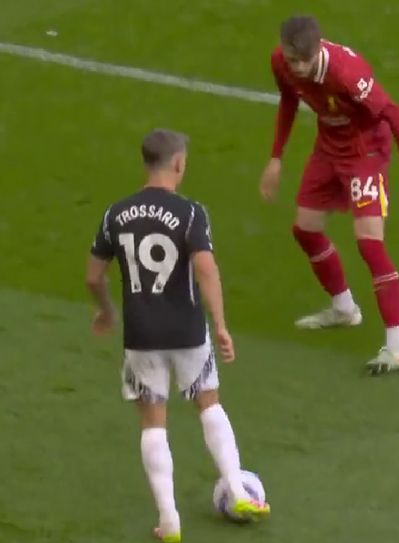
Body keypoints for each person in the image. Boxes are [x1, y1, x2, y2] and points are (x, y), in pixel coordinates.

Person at [86, 129, 270, 542]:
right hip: (187, 330)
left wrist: (106, 310)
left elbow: (93, 276)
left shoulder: (115, 214)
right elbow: (205, 269)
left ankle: (169, 519)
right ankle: (238, 490)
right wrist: (220, 324)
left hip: (141, 335)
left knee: (153, 424)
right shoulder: (190, 213)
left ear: (146, 162)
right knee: (208, 404)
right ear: (179, 163)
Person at [260, 15, 399, 375]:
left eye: (303, 61)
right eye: (291, 60)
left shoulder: (348, 74)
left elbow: (394, 114)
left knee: (369, 243)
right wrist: (276, 158)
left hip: (366, 151)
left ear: (318, 50)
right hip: (328, 147)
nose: (296, 68)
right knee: (305, 229)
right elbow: (288, 101)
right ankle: (344, 309)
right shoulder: (281, 62)